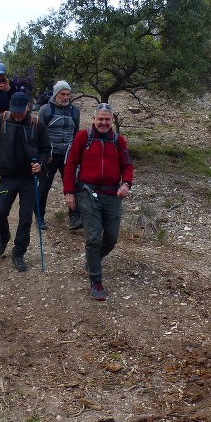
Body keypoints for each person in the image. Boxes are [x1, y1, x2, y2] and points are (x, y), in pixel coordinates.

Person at [63, 103, 134, 300]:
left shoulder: (118, 141)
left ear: (112, 121)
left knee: (111, 238)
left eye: (107, 119)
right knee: (93, 238)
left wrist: (126, 184)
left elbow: (127, 165)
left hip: (113, 196)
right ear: (93, 119)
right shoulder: (83, 138)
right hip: (88, 193)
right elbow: (70, 165)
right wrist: (69, 192)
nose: (103, 122)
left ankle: (93, 259)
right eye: (100, 119)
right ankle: (96, 280)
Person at [0, 92, 51, 273]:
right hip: (7, 176)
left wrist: (41, 164)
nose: (17, 114)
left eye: (20, 111)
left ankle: (18, 253)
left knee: (26, 218)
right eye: (15, 111)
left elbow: (46, 150)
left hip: (29, 178)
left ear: (27, 107)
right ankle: (3, 237)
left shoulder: (36, 124)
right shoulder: (2, 119)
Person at [36, 80, 81, 231]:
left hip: (68, 155)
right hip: (49, 155)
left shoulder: (75, 111)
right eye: (62, 94)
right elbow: (38, 134)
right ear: (56, 94)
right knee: (43, 187)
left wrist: (76, 153)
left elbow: (76, 134)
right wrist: (40, 155)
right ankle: (39, 216)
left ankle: (75, 217)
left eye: (68, 94)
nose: (65, 97)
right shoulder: (45, 110)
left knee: (72, 185)